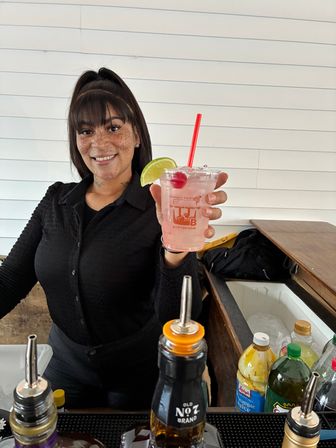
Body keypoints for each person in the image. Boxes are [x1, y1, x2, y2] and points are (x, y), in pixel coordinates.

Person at [0, 67, 228, 409]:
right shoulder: (56, 201)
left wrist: (176, 251)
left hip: (140, 373)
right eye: (86, 130)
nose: (99, 142)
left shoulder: (160, 206)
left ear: (136, 135)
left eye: (114, 127)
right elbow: (11, 280)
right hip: (66, 366)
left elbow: (178, 318)